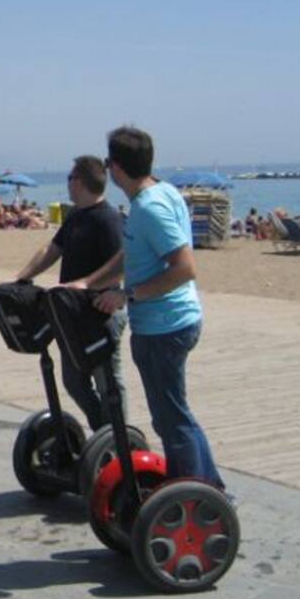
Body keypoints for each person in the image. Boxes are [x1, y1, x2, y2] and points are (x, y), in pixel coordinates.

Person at [71, 126, 226, 492]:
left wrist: (128, 296)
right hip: (169, 321)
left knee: (171, 419)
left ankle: (191, 496)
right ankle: (209, 489)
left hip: (165, 326)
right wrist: (89, 283)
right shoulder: (161, 193)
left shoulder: (151, 207)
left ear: (116, 167)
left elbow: (185, 267)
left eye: (109, 163)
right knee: (176, 415)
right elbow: (134, 252)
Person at [14, 155, 127, 431]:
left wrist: (96, 288)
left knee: (107, 381)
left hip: (101, 310)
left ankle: (118, 437)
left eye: (70, 178)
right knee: (73, 381)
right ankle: (104, 430)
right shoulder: (76, 216)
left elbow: (122, 266)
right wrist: (24, 277)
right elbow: (51, 250)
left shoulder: (109, 220)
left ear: (80, 182)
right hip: (70, 311)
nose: (67, 183)